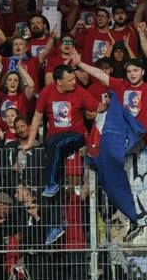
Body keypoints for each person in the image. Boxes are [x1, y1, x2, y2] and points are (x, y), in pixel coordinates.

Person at [25, 64, 100, 198]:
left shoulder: (79, 91)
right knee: (50, 143)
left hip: (76, 135)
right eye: (70, 80)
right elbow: (37, 118)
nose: (74, 82)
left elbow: (97, 107)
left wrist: (109, 104)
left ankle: (52, 183)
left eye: (74, 79)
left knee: (53, 142)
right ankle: (57, 185)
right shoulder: (46, 92)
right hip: (54, 139)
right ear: (59, 81)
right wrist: (30, 142)